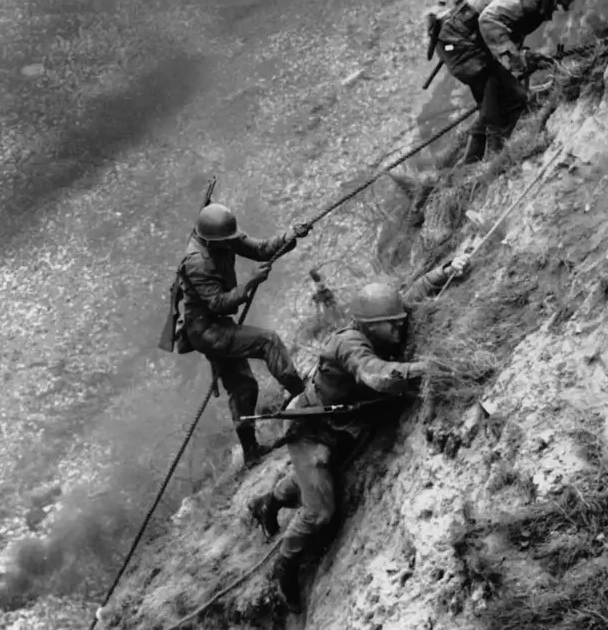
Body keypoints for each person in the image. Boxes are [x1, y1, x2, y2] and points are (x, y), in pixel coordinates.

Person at [246, 250, 473, 613]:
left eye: (398, 323)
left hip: (339, 427)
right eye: (391, 325)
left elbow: (409, 298)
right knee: (320, 510)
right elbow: (375, 375)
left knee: (316, 475)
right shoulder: (350, 344)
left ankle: (267, 503)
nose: (399, 329)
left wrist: (447, 271)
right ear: (370, 325)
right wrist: (422, 368)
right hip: (310, 429)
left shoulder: (378, 322)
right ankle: (284, 567)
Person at [176, 203, 310, 469]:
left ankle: (251, 453)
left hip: (218, 324)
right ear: (210, 240)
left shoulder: (223, 236)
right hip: (208, 331)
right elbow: (218, 303)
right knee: (268, 341)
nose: (232, 243)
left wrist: (289, 235)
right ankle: (305, 397)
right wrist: (250, 282)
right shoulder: (197, 262)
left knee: (243, 387)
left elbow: (261, 250)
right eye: (226, 241)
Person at [434, 0, 592, 164]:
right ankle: (490, 159)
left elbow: (506, 31)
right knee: (508, 96)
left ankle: (474, 161)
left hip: (469, 41)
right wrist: (518, 61)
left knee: (496, 94)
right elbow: (489, 20)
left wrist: (524, 57)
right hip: (460, 43)